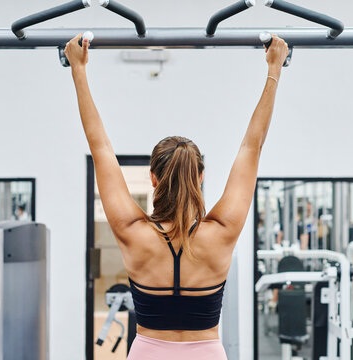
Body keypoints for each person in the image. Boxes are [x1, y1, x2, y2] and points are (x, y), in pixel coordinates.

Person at [64, 33, 288, 359]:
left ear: (152, 179)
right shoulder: (222, 232)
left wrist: (78, 71)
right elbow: (252, 146)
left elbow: (100, 148)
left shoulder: (132, 232)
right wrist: (274, 69)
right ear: (200, 178)